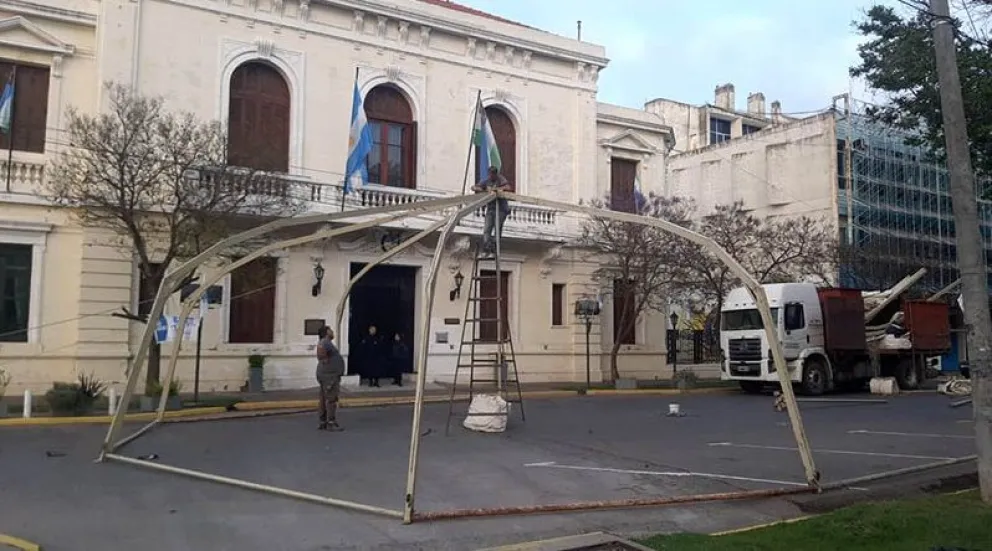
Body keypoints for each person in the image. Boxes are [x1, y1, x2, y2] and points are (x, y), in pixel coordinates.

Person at [472, 166, 511, 256]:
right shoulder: (487, 181)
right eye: (490, 174)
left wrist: (497, 189)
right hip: (491, 209)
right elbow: (474, 187)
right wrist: (484, 189)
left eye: (493, 174)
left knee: (497, 229)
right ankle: (487, 247)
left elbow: (508, 187)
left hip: (501, 209)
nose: (491, 176)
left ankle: (495, 247)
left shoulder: (500, 179)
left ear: (496, 174)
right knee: (487, 229)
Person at [315, 325, 345, 432]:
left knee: (324, 398)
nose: (332, 332)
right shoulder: (325, 342)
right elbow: (321, 353)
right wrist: (325, 360)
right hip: (329, 376)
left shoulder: (326, 342)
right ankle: (331, 423)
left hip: (327, 375)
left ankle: (323, 422)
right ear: (327, 332)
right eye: (330, 330)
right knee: (331, 399)